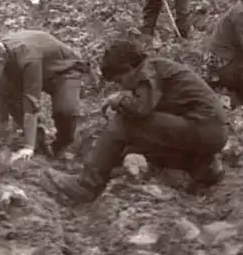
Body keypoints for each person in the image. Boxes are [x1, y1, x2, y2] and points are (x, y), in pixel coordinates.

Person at [43, 38, 228, 203]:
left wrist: (119, 99)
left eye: (120, 80)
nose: (121, 86)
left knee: (125, 122)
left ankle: (87, 185)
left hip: (203, 127)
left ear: (129, 69)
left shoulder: (147, 71)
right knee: (138, 143)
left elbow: (141, 109)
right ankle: (204, 168)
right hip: (211, 131)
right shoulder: (156, 68)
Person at [0, 31, 86, 159]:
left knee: (65, 111)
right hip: (35, 70)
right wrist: (2, 135)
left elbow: (31, 104)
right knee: (9, 97)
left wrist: (28, 147)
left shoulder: (27, 57)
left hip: (64, 70)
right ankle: (39, 141)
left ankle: (63, 143)